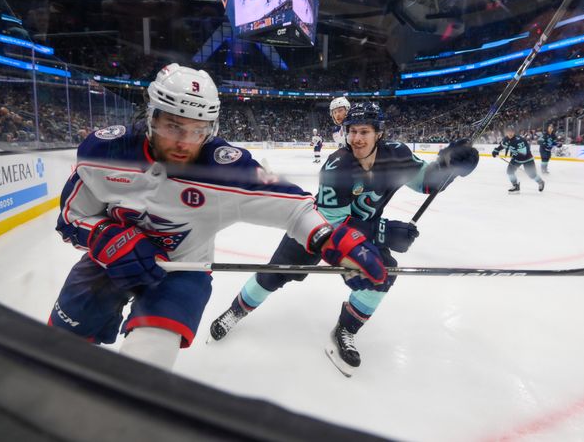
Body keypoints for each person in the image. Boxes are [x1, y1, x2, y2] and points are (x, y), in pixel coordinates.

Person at [48, 64, 383, 370]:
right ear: (152, 117)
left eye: (198, 130)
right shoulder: (106, 154)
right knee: (58, 352)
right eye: (173, 127)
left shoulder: (224, 168)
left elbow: (293, 207)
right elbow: (71, 215)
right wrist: (102, 237)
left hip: (182, 272)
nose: (184, 142)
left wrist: (328, 238)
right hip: (108, 263)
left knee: (142, 373)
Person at [209, 102, 479, 376]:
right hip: (316, 229)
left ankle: (346, 329)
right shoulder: (338, 165)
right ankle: (237, 310)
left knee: (382, 275)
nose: (356, 139)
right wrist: (383, 231)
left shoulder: (398, 155)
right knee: (272, 275)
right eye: (352, 131)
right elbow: (333, 228)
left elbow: (427, 183)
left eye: (364, 132)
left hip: (363, 232)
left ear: (379, 134)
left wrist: (449, 166)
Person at [492, 124, 545, 194]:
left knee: (531, 174)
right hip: (516, 158)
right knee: (510, 172)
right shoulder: (506, 139)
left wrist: (516, 158)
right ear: (506, 132)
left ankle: (540, 182)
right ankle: (516, 186)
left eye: (512, 132)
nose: (510, 133)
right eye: (508, 132)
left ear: (514, 132)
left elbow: (524, 153)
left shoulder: (520, 140)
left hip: (527, 159)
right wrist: (496, 150)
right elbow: (503, 145)